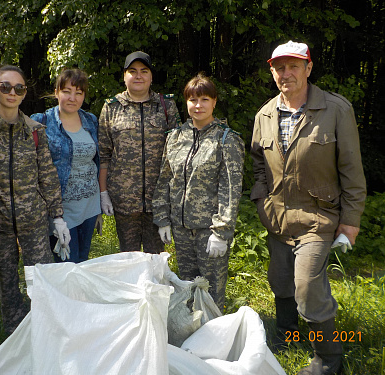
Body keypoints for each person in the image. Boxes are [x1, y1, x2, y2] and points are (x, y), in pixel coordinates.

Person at [250, 40, 366, 375]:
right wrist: (262, 200)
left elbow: (352, 171)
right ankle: (287, 336)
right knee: (281, 280)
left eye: (294, 66)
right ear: (273, 72)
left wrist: (351, 221)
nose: (286, 73)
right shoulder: (264, 115)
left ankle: (329, 359)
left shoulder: (335, 110)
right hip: (277, 218)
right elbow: (259, 163)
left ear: (308, 68)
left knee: (307, 286)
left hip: (318, 217)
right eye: (279, 67)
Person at [0, 65, 69, 334]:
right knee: (8, 286)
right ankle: (17, 340)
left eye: (19, 88)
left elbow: (47, 174)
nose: (12, 93)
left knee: (43, 281)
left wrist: (58, 216)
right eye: (5, 87)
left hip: (34, 220)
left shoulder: (33, 130)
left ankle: (48, 334)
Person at [152, 73, 245, 310]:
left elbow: (230, 189)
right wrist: (162, 219)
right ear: (186, 103)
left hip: (209, 232)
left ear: (214, 102)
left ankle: (214, 339)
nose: (198, 105)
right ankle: (190, 337)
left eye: (204, 99)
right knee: (186, 288)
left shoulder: (226, 140)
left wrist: (222, 232)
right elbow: (165, 179)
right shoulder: (175, 137)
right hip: (181, 230)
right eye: (193, 100)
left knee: (211, 293)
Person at [98, 51, 181, 253]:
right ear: (124, 76)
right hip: (124, 201)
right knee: (129, 259)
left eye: (144, 71)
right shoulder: (112, 108)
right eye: (132, 71)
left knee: (156, 260)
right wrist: (103, 193)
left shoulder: (166, 105)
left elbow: (177, 152)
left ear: (151, 76)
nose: (138, 76)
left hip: (159, 200)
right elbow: (103, 155)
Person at [30, 68, 101, 263]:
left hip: (89, 207)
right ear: (56, 92)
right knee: (67, 267)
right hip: (60, 212)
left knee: (83, 262)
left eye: (79, 93)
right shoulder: (40, 122)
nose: (73, 98)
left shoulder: (91, 120)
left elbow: (96, 160)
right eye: (67, 91)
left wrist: (101, 201)